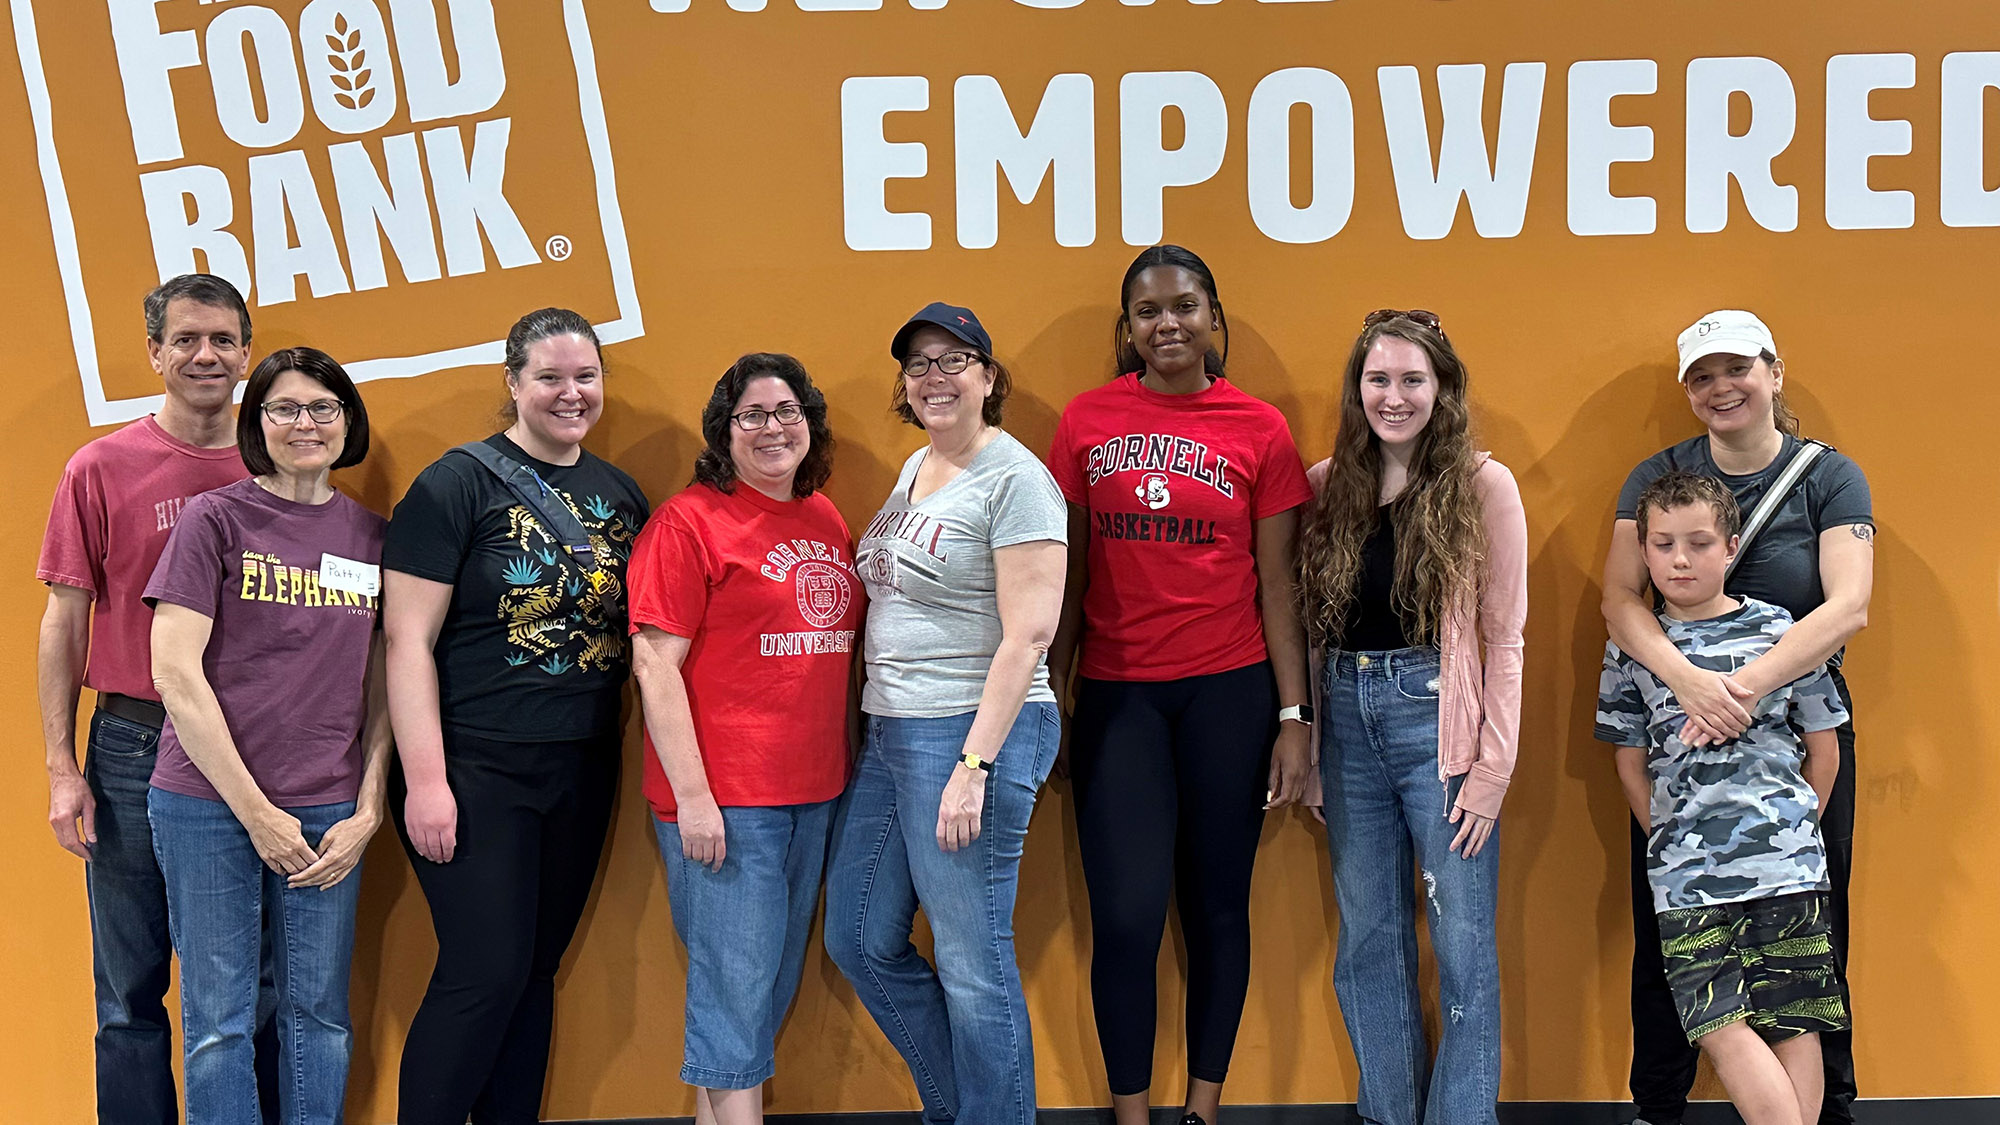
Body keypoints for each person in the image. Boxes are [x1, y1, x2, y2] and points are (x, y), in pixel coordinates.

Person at [1046, 244, 1315, 1125]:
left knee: (1215, 909)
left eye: (1185, 306)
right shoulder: (1085, 422)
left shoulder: (1261, 428)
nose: (1168, 324)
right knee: (1124, 918)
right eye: (1149, 311)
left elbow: (1280, 586)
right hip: (1118, 696)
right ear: (1127, 329)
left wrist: (1293, 715)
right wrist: (1051, 696)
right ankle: (1130, 1114)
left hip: (1229, 695)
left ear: (1213, 318)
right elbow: (1070, 576)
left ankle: (1202, 1107)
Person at [1601, 311, 1872, 1125]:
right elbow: (1620, 599)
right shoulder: (1658, 474)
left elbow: (1848, 603)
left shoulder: (1829, 475)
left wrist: (1741, 687)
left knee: (1808, 967)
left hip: (1788, 746)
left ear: (1775, 372)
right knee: (1673, 961)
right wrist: (1686, 681)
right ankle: (1659, 1104)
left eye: (1737, 368)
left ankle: (1831, 1110)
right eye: (1702, 375)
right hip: (1678, 751)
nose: (1722, 387)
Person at [382, 308, 648, 1125]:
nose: (572, 394)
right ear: (513, 383)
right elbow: (405, 640)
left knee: (534, 969)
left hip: (580, 764)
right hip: (474, 766)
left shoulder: (620, 493)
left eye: (585, 377)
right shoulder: (455, 482)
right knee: (483, 970)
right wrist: (426, 780)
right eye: (550, 378)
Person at [35, 273, 281, 1124]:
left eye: (221, 338)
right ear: (154, 353)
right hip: (135, 745)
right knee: (129, 986)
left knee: (259, 981)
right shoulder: (100, 467)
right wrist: (63, 767)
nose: (205, 354)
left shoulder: (281, 458)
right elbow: (63, 621)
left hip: (259, 750)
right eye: (185, 339)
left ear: (247, 352)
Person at [824, 303, 1067, 1125]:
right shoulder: (916, 468)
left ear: (988, 377)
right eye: (920, 363)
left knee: (972, 960)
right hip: (894, 729)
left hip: (970, 729)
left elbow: (1030, 633)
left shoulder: (1016, 479)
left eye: (954, 359)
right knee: (857, 937)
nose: (935, 377)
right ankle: (964, 1110)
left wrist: (974, 766)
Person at [146, 347, 390, 1125]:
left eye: (323, 407)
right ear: (257, 423)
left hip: (329, 809)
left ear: (347, 421)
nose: (306, 423)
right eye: (284, 408)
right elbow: (176, 675)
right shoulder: (213, 519)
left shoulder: (372, 537)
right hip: (208, 806)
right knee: (218, 1021)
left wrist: (370, 806)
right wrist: (257, 813)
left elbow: (385, 688)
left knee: (317, 1011)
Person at [1295, 309, 1527, 1125]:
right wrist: (1318, 748)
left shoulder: (1482, 485)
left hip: (1441, 722)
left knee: (1461, 940)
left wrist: (1492, 769)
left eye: (1412, 380)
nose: (1394, 396)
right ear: (1358, 391)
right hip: (1348, 721)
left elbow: (1504, 637)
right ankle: (1391, 1114)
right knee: (1369, 939)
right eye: (1378, 379)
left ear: (1443, 388)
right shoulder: (1327, 487)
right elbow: (1313, 631)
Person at [627, 353, 861, 1125]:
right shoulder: (688, 522)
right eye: (752, 414)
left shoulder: (823, 516)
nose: (772, 428)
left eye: (787, 411)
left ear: (809, 423)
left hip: (814, 791)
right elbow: (655, 668)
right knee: (735, 992)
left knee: (759, 991)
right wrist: (695, 798)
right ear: (724, 430)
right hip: (729, 803)